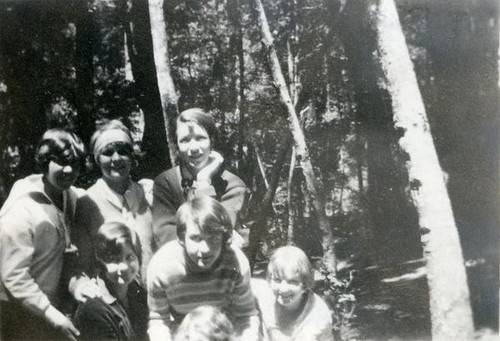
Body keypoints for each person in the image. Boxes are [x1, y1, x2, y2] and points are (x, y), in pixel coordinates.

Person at [0, 129, 99, 340]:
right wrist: (51, 313)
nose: (69, 170)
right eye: (61, 162)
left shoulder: (67, 195)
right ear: (45, 162)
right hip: (16, 310)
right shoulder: (21, 210)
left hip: (47, 308)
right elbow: (13, 275)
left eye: (76, 163)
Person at [147, 196, 259, 341]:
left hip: (223, 333)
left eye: (213, 239)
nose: (205, 249)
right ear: (182, 238)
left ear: (224, 238)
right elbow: (159, 320)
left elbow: (246, 316)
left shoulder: (236, 263)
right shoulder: (162, 267)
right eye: (196, 238)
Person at [152, 108, 249, 247]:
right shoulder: (166, 182)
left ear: (212, 141)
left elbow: (216, 233)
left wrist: (204, 182)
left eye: (200, 138)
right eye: (185, 140)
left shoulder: (233, 185)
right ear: (177, 146)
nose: (194, 147)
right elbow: (166, 236)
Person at [74, 120, 154, 284]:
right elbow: (86, 263)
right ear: (97, 159)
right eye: (108, 152)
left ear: (131, 156)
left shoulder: (148, 193)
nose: (116, 159)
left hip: (155, 291)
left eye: (123, 151)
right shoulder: (87, 203)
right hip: (116, 298)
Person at [73, 222, 148, 340]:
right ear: (101, 263)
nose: (124, 266)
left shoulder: (138, 292)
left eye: (130, 257)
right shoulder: (93, 309)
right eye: (115, 260)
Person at [252, 246, 333, 341]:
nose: (283, 289)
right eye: (277, 280)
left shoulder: (317, 316)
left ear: (305, 285)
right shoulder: (265, 292)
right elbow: (240, 281)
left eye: (292, 282)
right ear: (270, 280)